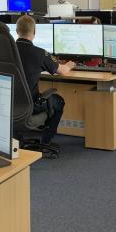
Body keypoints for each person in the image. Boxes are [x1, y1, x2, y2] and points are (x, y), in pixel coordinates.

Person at [14, 15, 75, 145]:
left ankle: (17, 138)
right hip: (30, 107)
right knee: (58, 101)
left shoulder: (7, 52)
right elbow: (62, 71)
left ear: (17, 31)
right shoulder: (40, 53)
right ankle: (45, 141)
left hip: (6, 105)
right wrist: (70, 64)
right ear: (34, 31)